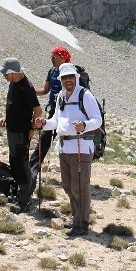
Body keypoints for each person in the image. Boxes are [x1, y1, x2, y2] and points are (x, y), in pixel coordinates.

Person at [41, 63, 102, 237]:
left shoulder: (85, 95)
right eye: (64, 78)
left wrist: (84, 126)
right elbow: (56, 121)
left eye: (71, 77)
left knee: (80, 187)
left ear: (76, 78)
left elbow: (97, 120)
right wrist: (45, 123)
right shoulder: (61, 96)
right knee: (68, 186)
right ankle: (77, 219)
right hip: (64, 147)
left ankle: (82, 224)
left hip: (80, 147)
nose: (68, 80)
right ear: (60, 80)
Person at [0, 57, 43, 212]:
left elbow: (37, 111)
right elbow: (11, 103)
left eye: (6, 74)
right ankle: (22, 193)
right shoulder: (14, 83)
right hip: (12, 130)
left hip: (21, 132)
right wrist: (6, 117)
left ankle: (24, 201)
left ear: (14, 73)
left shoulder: (26, 87)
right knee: (15, 161)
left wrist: (32, 129)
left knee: (21, 165)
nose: (4, 76)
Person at [32, 46, 70, 184]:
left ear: (63, 57)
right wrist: (30, 91)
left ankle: (73, 174)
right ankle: (32, 170)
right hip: (54, 113)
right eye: (52, 57)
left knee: (68, 144)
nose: (52, 59)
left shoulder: (71, 72)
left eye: (55, 57)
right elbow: (45, 89)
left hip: (69, 115)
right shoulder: (52, 71)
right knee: (44, 140)